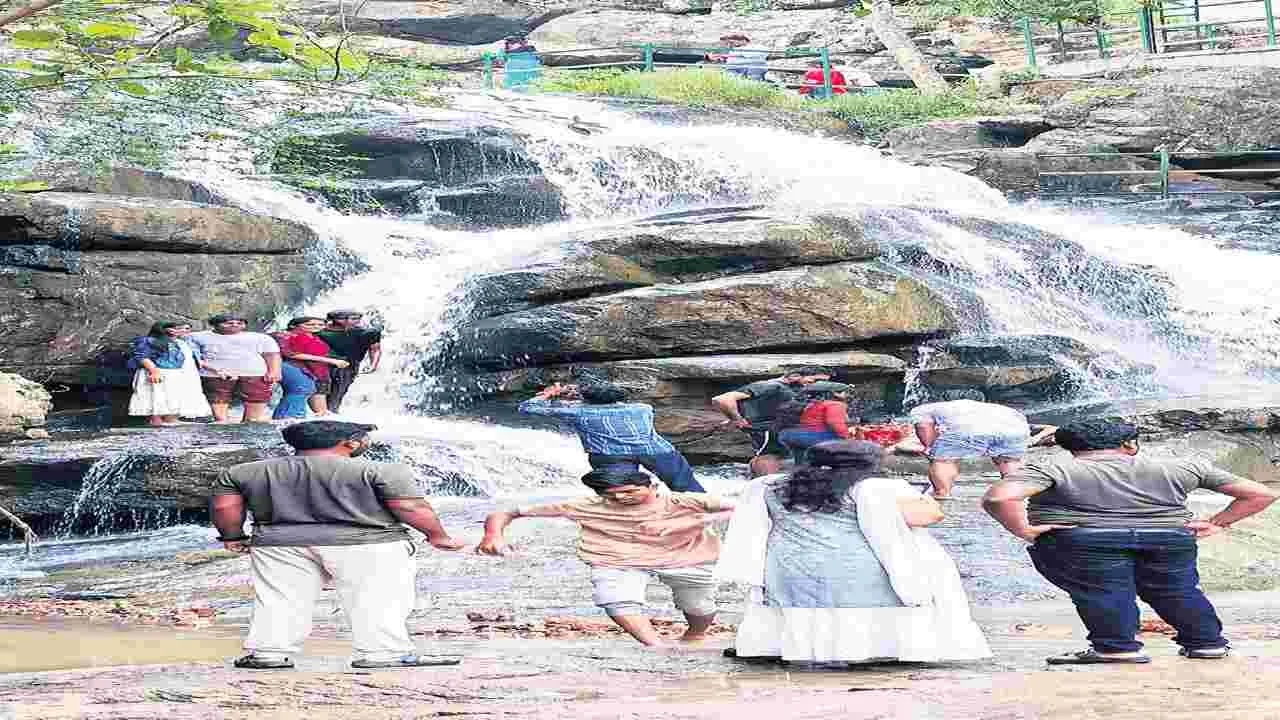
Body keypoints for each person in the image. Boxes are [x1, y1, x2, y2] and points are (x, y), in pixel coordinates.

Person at [983, 420, 1278, 665]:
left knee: (1103, 591)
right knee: (1177, 590)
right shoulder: (1183, 466)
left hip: (1083, 540)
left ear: (1071, 447)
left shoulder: (1051, 469)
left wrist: (1024, 530)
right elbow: (1260, 494)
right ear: (1129, 444)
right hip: (1168, 539)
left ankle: (1116, 648)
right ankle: (1207, 644)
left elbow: (999, 498)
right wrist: (1218, 522)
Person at [211, 420, 466, 670]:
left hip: (279, 544)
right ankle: (383, 652)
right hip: (368, 544)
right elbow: (410, 507)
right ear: (350, 443)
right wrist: (437, 535)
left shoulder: (243, 472)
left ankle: (269, 653)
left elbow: (224, 507)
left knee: (280, 598)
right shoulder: (382, 470)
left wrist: (233, 537)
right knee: (377, 597)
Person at [717, 440, 991, 664]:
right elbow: (928, 516)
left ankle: (786, 648)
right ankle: (870, 651)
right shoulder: (875, 488)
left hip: (789, 571)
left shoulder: (773, 486)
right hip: (856, 571)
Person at [477, 467, 735, 646]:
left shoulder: (685, 502)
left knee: (699, 607)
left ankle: (695, 635)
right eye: (610, 495)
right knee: (614, 598)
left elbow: (744, 507)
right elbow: (506, 512)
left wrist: (696, 522)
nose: (621, 498)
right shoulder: (584, 506)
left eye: (630, 491)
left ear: (652, 486)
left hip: (686, 557)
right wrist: (493, 536)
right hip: (616, 558)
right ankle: (655, 646)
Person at [519, 382, 704, 492]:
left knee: (621, 491)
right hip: (656, 450)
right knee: (686, 485)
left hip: (611, 455)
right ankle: (702, 509)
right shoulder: (643, 408)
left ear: (586, 399)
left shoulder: (578, 412)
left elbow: (527, 407)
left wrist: (549, 394)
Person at [711, 367, 833, 477]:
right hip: (767, 431)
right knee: (770, 456)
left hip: (782, 431)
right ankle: (762, 485)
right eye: (816, 380)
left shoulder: (795, 390)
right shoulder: (771, 386)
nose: (820, 385)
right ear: (794, 376)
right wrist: (737, 419)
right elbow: (722, 400)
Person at [908, 397, 1030, 498]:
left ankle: (942, 493)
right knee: (1009, 461)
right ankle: (1014, 492)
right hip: (1016, 426)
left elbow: (923, 427)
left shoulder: (920, 410)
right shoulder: (968, 406)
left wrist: (930, 448)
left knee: (944, 460)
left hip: (969, 426)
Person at [188, 314, 282, 423]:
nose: (235, 325)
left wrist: (274, 371)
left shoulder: (260, 337)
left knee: (256, 399)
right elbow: (193, 356)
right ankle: (221, 422)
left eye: (239, 323)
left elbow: (272, 354)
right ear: (214, 324)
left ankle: (251, 422)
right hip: (214, 375)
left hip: (254, 374)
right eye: (229, 323)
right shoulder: (197, 337)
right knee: (217, 399)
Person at [127, 321, 214, 426]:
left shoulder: (178, 343)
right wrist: (153, 371)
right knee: (156, 397)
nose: (179, 330)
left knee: (172, 398)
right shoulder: (149, 340)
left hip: (173, 374)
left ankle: (170, 420)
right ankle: (156, 421)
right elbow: (142, 356)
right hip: (157, 372)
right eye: (175, 328)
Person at [271, 316, 349, 420]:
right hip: (298, 369)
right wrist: (331, 361)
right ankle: (287, 419)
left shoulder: (316, 337)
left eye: (320, 325)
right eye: (309, 324)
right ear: (293, 325)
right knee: (301, 390)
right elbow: (290, 353)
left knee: (321, 411)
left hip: (319, 373)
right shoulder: (285, 336)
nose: (316, 327)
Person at [317, 310, 382, 413]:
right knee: (318, 392)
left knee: (336, 394)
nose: (349, 321)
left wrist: (373, 365)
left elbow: (375, 349)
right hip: (320, 365)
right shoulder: (319, 331)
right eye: (342, 318)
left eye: (355, 318)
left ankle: (331, 412)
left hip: (346, 367)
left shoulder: (367, 333)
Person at [776, 382, 855, 462]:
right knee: (840, 441)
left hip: (789, 434)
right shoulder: (835, 404)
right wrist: (847, 438)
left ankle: (800, 466)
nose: (848, 395)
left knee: (801, 461)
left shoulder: (812, 404)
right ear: (835, 393)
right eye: (845, 392)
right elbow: (834, 423)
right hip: (812, 436)